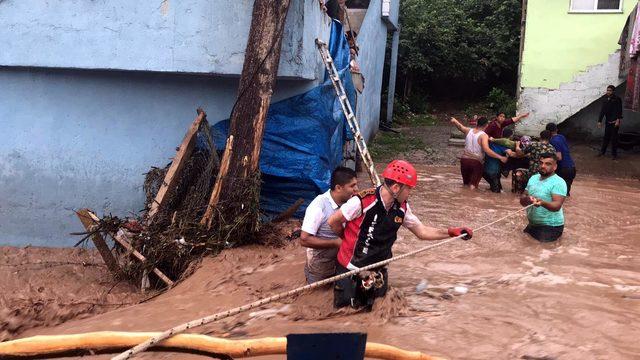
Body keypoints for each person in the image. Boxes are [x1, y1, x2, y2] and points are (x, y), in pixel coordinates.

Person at [327, 160, 473, 310]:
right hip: (350, 266)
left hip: (377, 268)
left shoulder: (402, 208)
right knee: (345, 311)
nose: (410, 193)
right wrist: (346, 239)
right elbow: (333, 221)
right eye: (409, 189)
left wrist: (450, 232)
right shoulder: (362, 201)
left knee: (376, 309)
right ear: (396, 187)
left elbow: (421, 232)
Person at [300, 167, 359, 284]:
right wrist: (335, 243)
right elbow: (304, 240)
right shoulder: (318, 206)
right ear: (338, 188)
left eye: (357, 185)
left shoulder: (352, 202)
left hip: (342, 261)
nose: (357, 190)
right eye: (352, 186)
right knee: (317, 296)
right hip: (320, 267)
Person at [520, 153, 567, 242]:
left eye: (547, 164)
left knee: (539, 252)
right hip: (533, 224)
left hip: (551, 226)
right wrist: (527, 199)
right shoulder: (533, 178)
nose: (543, 166)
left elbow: (557, 206)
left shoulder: (559, 182)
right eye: (541, 163)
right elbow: (523, 198)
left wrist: (542, 203)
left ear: (555, 167)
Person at [450, 117, 508, 189]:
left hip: (464, 160)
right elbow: (487, 150)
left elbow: (460, 127)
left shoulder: (469, 131)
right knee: (473, 186)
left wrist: (455, 121)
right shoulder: (483, 135)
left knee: (465, 184)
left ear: (477, 123)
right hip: (476, 162)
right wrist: (501, 157)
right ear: (486, 125)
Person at [546, 123, 576, 196]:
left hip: (563, 170)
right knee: (565, 194)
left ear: (548, 132)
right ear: (557, 129)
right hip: (571, 168)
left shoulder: (553, 141)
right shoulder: (561, 137)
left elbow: (559, 157)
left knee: (558, 194)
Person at [597, 85, 623, 160]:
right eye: (607, 90)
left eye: (610, 90)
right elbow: (603, 111)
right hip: (608, 122)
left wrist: (618, 120)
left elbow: (619, 110)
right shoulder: (605, 99)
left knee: (614, 139)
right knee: (606, 137)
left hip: (615, 122)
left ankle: (614, 155)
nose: (608, 91)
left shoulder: (617, 99)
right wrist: (599, 121)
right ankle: (602, 152)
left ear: (613, 91)